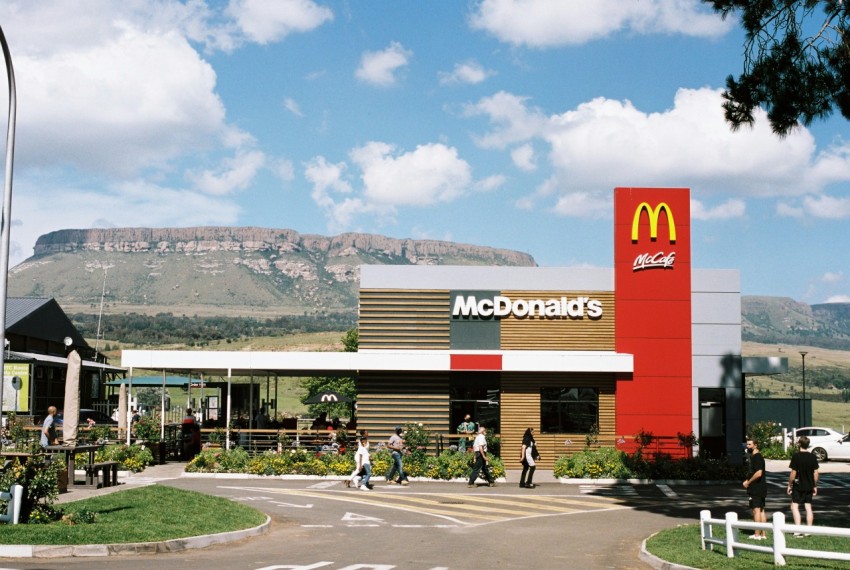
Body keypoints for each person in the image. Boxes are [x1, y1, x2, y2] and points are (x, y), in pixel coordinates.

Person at [788, 435, 820, 536]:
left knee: (794, 506)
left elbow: (793, 473)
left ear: (799, 444)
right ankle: (808, 530)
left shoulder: (796, 456)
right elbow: (816, 473)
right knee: (808, 507)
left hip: (798, 485)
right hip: (809, 485)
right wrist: (815, 485)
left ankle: (797, 530)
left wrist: (789, 484)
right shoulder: (812, 457)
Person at [743, 437, 767, 539]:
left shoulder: (757, 457)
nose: (747, 446)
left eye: (750, 444)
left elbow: (758, 473)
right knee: (761, 510)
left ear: (755, 445)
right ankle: (763, 534)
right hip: (760, 487)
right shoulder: (755, 456)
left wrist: (748, 482)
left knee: (756, 510)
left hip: (756, 487)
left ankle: (757, 535)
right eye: (747, 444)